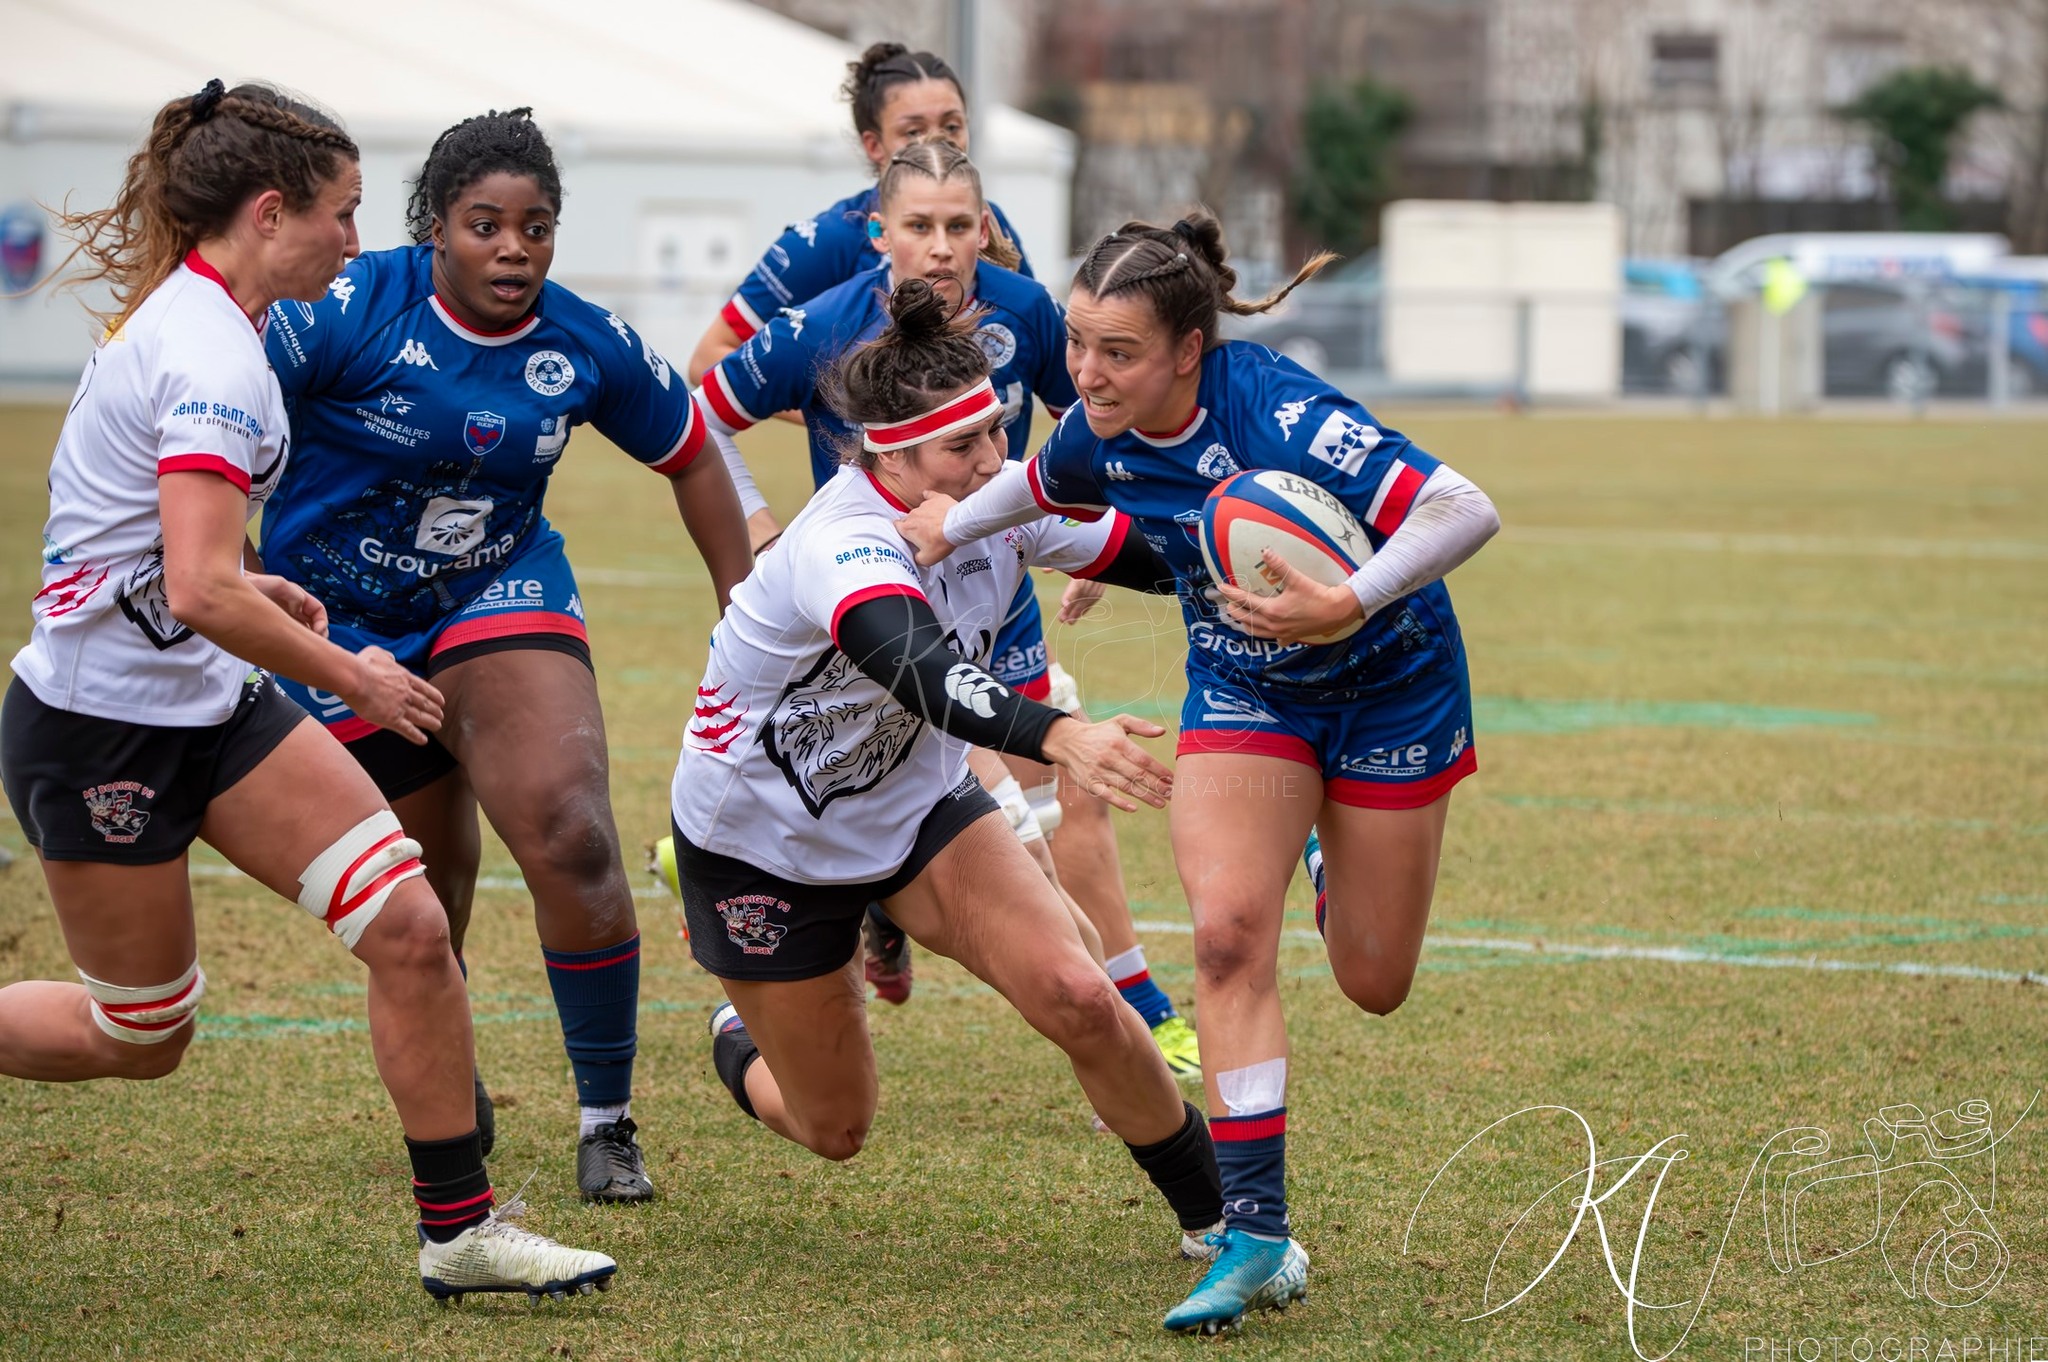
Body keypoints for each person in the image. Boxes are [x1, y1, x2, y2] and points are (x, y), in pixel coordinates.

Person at [0, 80, 613, 1301]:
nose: (356, 236)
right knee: (142, 1035)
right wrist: (353, 674)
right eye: (338, 213)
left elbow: (194, 578)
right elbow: (198, 586)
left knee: (407, 926)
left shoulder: (203, 320)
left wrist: (260, 603)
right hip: (99, 728)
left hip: (212, 704)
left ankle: (462, 1231)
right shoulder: (215, 354)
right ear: (271, 215)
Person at [895, 212, 1501, 1335]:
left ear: (1187, 351)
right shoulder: (1098, 423)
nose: (1084, 372)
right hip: (1248, 694)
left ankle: (1322, 841)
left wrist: (1348, 600)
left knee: (1373, 977)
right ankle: (1256, 1234)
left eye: (1115, 352)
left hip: (1389, 687)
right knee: (1225, 937)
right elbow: (1039, 481)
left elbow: (1465, 506)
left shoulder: (1272, 408)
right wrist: (943, 527)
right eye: (1075, 343)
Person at [675, 279, 1227, 1305]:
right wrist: (1059, 733)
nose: (989, 464)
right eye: (961, 448)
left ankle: (1220, 1220)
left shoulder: (991, 499)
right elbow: (916, 664)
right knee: (834, 1129)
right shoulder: (839, 545)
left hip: (917, 813)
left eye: (994, 432)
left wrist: (1264, 548)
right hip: (762, 847)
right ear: (888, 458)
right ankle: (735, 1025)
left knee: (1079, 995)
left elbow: (1152, 555)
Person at [257, 108, 752, 1202]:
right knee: (425, 886)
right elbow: (215, 420)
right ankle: (451, 1074)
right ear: (436, 227)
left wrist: (739, 613)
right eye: (485, 225)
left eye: (536, 227)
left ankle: (606, 1119)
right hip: (336, 618)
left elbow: (691, 453)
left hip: (493, 583)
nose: (513, 248)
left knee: (572, 835)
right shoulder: (346, 309)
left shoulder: (580, 342)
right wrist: (236, 574)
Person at [694, 138, 1201, 1077]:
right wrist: (762, 533)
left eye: (959, 225)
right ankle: (1124, 1021)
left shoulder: (1027, 313)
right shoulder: (826, 323)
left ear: (986, 228)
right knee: (1016, 837)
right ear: (878, 228)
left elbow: (1092, 420)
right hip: (874, 614)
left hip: (995, 599)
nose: (940, 245)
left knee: (1067, 815)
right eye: (919, 225)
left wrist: (1100, 519)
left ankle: (1122, 1023)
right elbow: (703, 409)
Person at [685, 40, 1032, 404]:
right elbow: (708, 357)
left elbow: (1032, 338)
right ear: (874, 145)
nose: (938, 141)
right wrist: (847, 415)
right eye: (913, 131)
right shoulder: (830, 240)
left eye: (952, 125)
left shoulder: (991, 223)